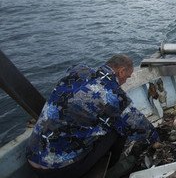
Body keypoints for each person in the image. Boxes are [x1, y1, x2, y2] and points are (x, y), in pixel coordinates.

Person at [26, 54, 159, 178]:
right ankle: (111, 169)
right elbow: (138, 125)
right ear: (121, 71)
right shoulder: (114, 97)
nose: (125, 81)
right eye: (127, 77)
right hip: (59, 170)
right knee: (117, 129)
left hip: (31, 156)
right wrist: (156, 139)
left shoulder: (78, 70)